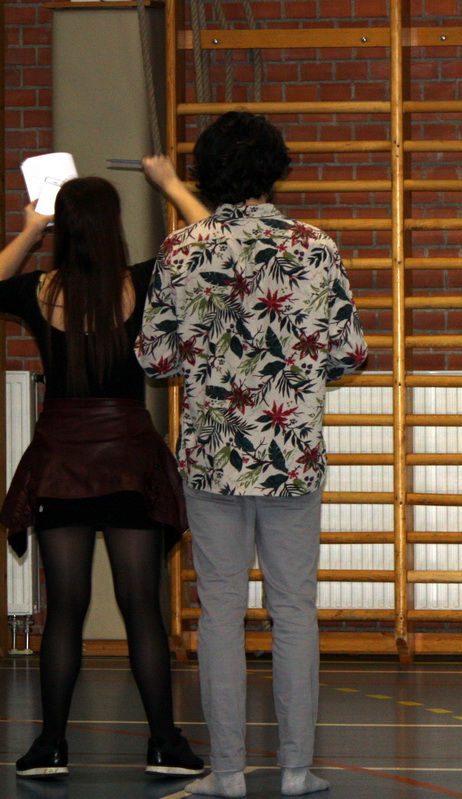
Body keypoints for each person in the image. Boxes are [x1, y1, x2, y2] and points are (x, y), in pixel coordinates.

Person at [136, 110, 367, 798]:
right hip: (290, 455)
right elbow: (351, 352)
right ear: (276, 170)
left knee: (220, 614)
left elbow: (153, 358)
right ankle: (295, 770)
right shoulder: (315, 246)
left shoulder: (181, 249)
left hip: (212, 458)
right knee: (294, 611)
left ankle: (229, 773)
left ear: (205, 175)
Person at [0, 174, 206, 779]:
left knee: (65, 608)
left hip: (61, 460)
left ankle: (50, 747)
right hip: (128, 460)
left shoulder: (40, 289)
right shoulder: (143, 280)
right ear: (114, 227)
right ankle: (164, 744)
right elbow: (211, 238)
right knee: (141, 606)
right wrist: (170, 183)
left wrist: (31, 229)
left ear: (64, 228)